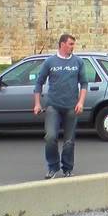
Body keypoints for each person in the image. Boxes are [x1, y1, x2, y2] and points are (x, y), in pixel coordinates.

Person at [34, 33, 88, 179]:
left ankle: (67, 169)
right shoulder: (50, 62)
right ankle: (53, 167)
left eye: (73, 44)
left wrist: (81, 102)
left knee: (69, 141)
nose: (72, 47)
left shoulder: (78, 62)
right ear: (62, 44)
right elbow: (39, 83)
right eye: (70, 44)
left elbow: (84, 83)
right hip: (53, 106)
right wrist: (37, 103)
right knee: (50, 137)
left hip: (71, 107)